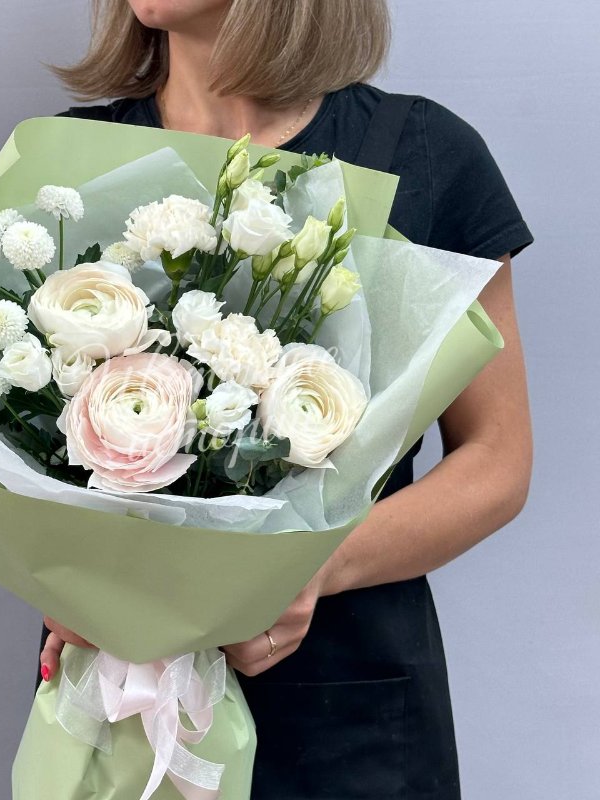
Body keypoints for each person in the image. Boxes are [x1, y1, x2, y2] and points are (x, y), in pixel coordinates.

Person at [37, 1, 534, 797]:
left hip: (349, 714)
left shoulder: (424, 155)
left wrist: (312, 567)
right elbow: (13, 437)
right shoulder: (62, 162)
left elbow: (498, 459)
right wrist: (61, 578)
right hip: (124, 701)